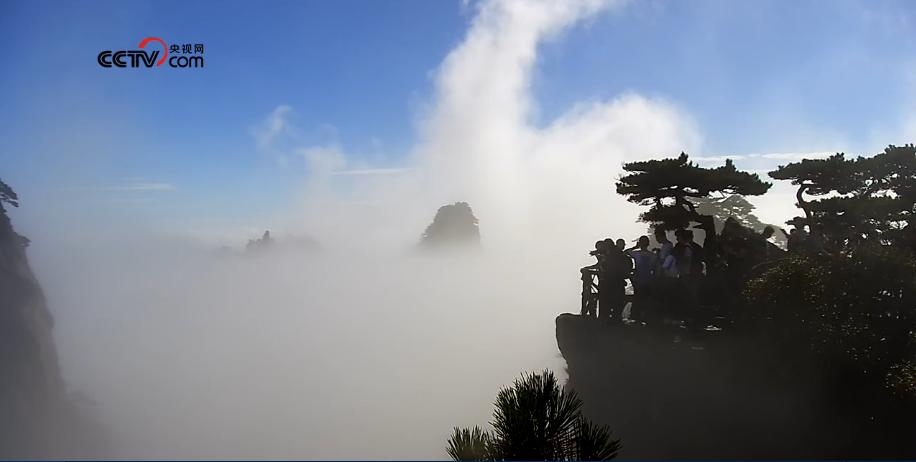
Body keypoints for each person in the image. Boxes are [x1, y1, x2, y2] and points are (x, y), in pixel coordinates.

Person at [626, 236, 657, 321]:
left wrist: (635, 247)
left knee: (638, 298)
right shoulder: (652, 255)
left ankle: (636, 316)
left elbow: (625, 252)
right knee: (647, 299)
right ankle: (646, 316)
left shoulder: (637, 254)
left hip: (638, 279)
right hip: (648, 279)